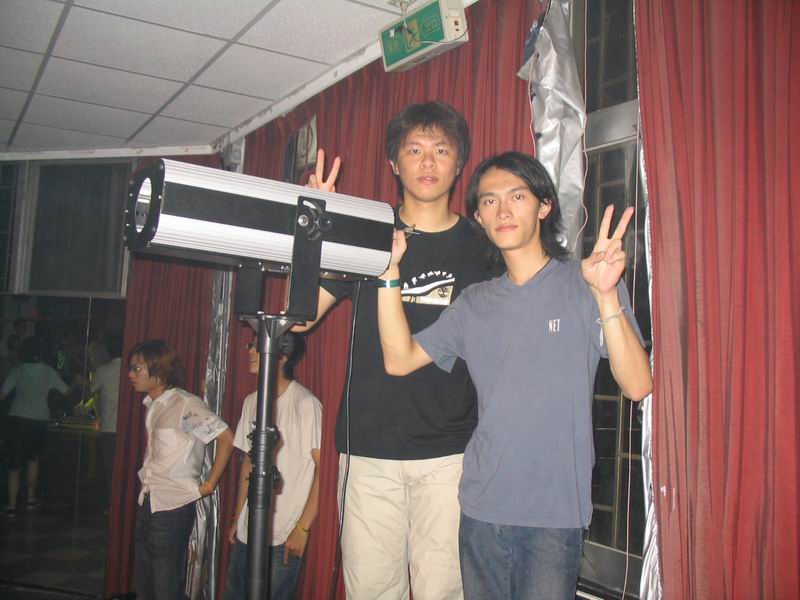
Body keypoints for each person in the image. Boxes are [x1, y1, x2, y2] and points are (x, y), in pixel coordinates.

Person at [376, 152, 653, 600]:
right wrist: (389, 274)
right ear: (479, 218)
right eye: (489, 201)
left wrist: (606, 297)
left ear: (544, 206)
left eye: (517, 196)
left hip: (553, 516)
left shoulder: (586, 282)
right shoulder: (473, 303)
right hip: (481, 507)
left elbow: (638, 385)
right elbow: (399, 360)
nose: (503, 210)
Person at [300, 101, 494, 599]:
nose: (428, 162)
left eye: (441, 150)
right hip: (368, 449)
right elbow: (298, 317)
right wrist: (314, 236)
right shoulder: (366, 234)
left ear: (459, 162)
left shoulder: (483, 247)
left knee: (443, 592)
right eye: (414, 150)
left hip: (451, 453)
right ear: (394, 162)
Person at [130, 339, 234, 600]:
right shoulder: (153, 404)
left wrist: (208, 485)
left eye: (137, 368)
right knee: (145, 582)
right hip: (150, 499)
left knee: (166, 585)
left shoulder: (184, 404)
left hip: (174, 505)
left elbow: (226, 438)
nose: (131, 374)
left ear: (158, 370)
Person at [224, 332, 322, 600]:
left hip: (282, 534)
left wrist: (302, 528)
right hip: (248, 529)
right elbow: (249, 460)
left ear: (283, 355)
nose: (250, 350)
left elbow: (324, 470)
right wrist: (238, 517)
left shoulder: (305, 404)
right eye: (250, 344)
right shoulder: (251, 401)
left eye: (257, 346)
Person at [1, 336, 69, 517]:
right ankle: (31, 499)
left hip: (17, 419)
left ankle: (11, 505)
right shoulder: (48, 371)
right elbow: (66, 390)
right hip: (39, 420)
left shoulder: (18, 370)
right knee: (33, 459)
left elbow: (3, 394)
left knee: (14, 465)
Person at [90, 333, 122, 507]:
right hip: (128, 428)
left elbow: (91, 390)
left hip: (109, 426)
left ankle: (111, 505)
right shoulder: (134, 370)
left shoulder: (103, 370)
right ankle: (122, 504)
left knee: (109, 470)